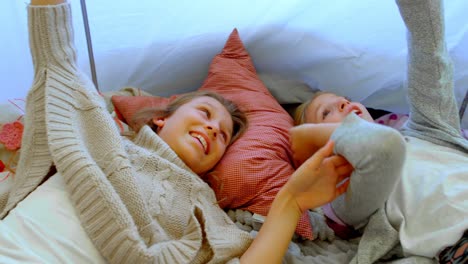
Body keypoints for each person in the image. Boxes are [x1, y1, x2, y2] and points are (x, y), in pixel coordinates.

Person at [0, 0, 352, 263]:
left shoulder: (206, 210)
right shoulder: (103, 131)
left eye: (224, 136)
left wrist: (291, 200)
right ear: (162, 119)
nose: (214, 129)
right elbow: (57, 64)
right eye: (204, 113)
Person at [291, 0, 468, 261]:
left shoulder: (429, 130)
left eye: (344, 98)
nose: (344, 102)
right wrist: (301, 139)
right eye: (326, 113)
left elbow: (429, 55)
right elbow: (381, 149)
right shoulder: (345, 195)